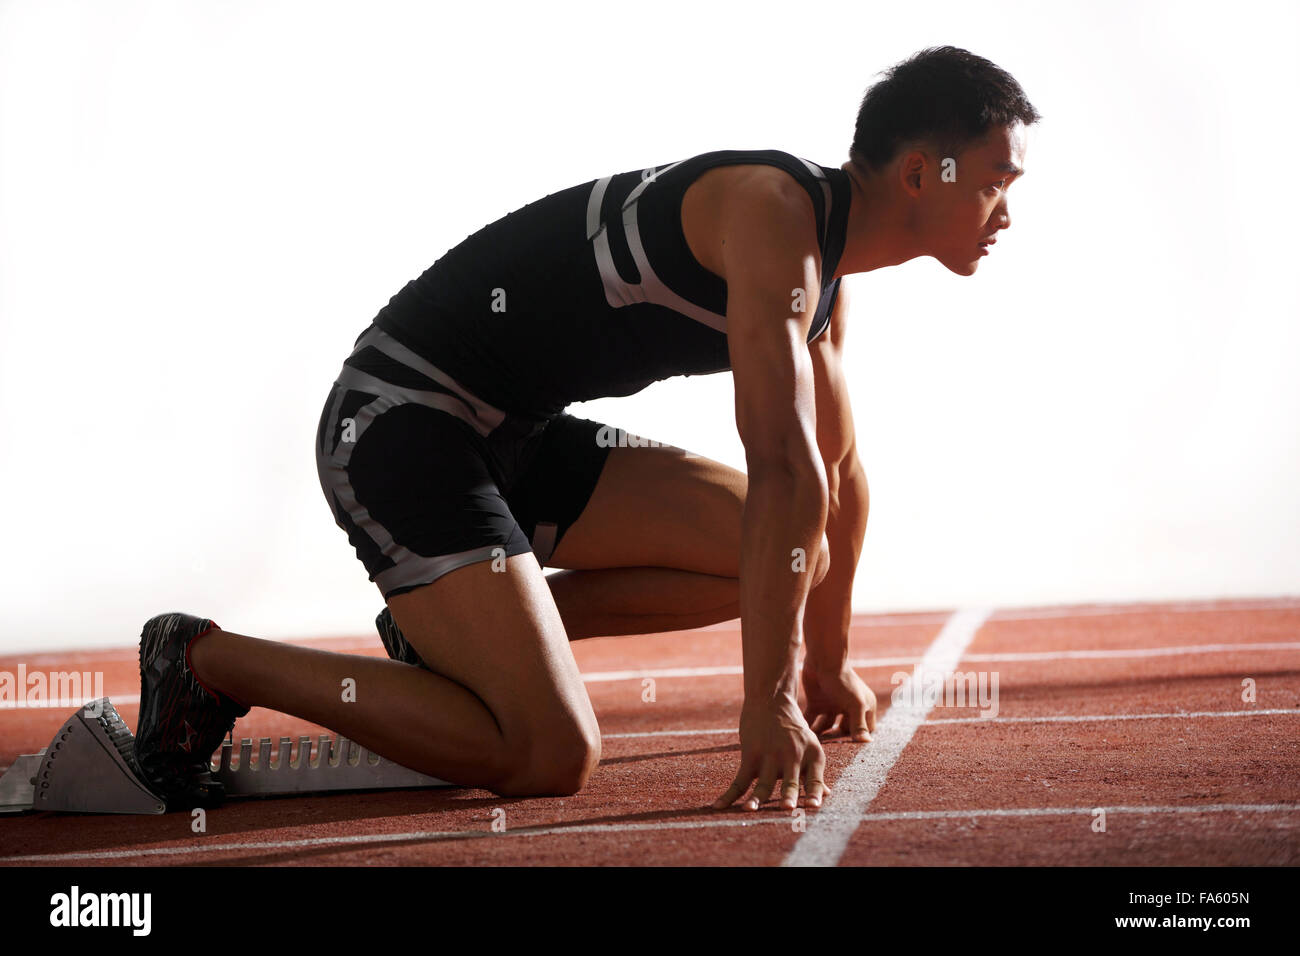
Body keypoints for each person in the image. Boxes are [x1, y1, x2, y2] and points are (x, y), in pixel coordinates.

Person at [133, 46, 1039, 813]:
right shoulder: (773, 214)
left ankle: (460, 640)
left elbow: (835, 477)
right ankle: (207, 659)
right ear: (923, 172)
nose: (1008, 212)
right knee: (548, 756)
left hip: (514, 434)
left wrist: (826, 668)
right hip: (401, 425)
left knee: (771, 550)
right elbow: (787, 474)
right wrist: (765, 698)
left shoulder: (826, 277)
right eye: (998, 182)